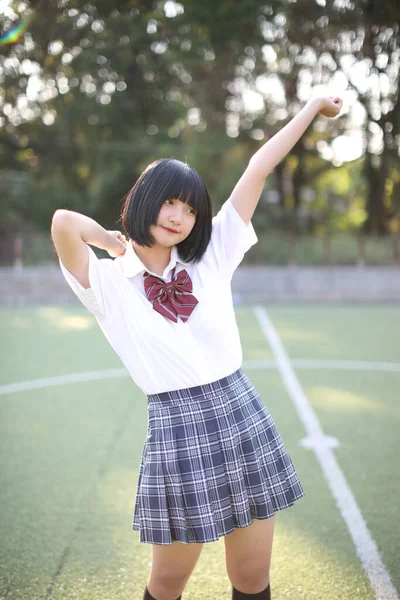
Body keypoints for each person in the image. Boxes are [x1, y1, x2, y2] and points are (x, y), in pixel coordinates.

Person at [51, 95, 343, 600]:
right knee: (166, 583)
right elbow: (62, 222)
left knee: (251, 577)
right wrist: (111, 242)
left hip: (240, 412)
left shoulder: (212, 256)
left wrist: (313, 106)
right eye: (169, 202)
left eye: (190, 209)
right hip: (177, 429)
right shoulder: (107, 283)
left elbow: (258, 166)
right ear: (146, 198)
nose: (179, 217)